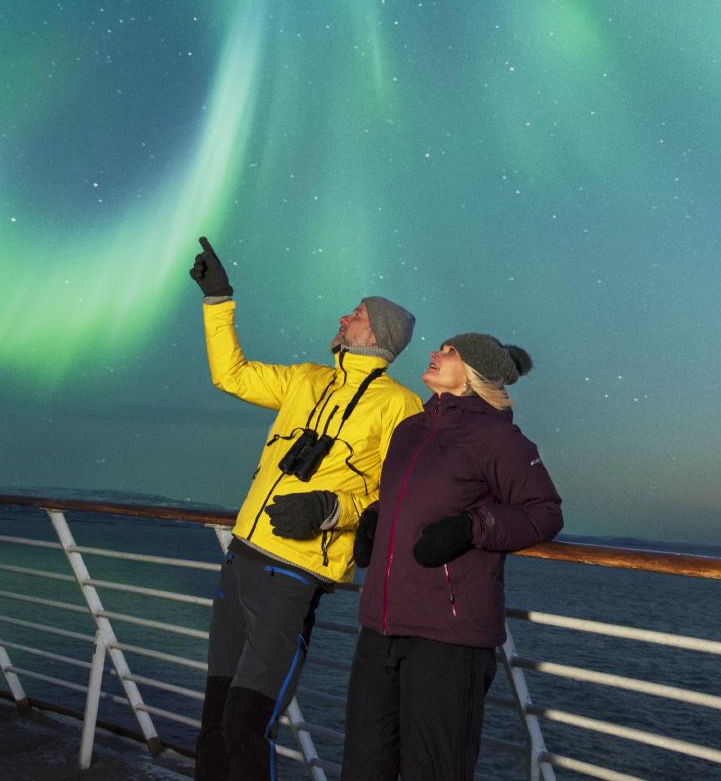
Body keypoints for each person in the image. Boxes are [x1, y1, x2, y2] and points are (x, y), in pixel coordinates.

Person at [189, 236, 425, 781]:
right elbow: (232, 375)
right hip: (242, 560)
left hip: (291, 575)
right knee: (214, 721)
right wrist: (218, 299)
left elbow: (400, 496)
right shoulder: (306, 379)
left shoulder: (402, 407)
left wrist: (331, 508)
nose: (343, 317)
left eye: (357, 314)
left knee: (247, 724)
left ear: (379, 335)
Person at [341, 333, 562, 781]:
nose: (434, 354)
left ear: (475, 372)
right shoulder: (411, 430)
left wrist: (473, 526)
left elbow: (544, 513)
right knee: (364, 767)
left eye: (450, 351)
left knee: (435, 771)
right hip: (381, 625)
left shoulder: (499, 437)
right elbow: (415, 499)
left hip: (449, 636)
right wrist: (376, 517)